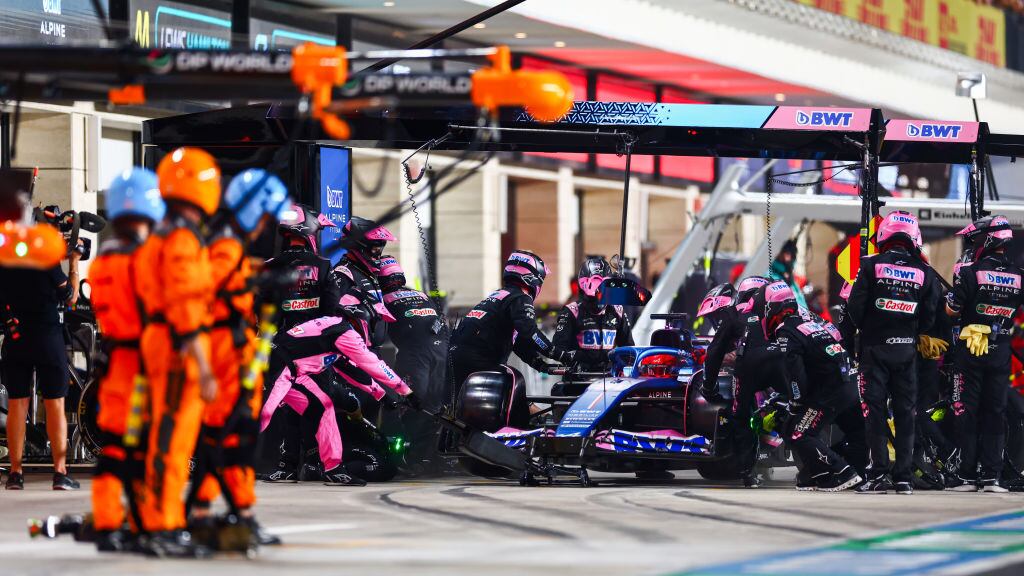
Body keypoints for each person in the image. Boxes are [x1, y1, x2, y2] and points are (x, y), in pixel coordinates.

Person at [189, 169, 290, 546]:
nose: (266, 227)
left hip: (233, 356)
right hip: (222, 360)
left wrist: (258, 285)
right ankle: (215, 512)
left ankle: (232, 513)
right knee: (227, 439)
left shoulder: (228, 246)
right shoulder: (225, 247)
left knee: (231, 439)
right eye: (264, 217)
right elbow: (205, 301)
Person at [133, 147, 220, 556]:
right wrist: (203, 367)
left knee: (166, 439)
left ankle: (160, 522)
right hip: (178, 350)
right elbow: (186, 306)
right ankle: (162, 526)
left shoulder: (159, 234)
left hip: (160, 343)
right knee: (172, 441)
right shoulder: (182, 240)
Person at [87, 168, 165, 550]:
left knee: (116, 446)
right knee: (145, 449)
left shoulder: (103, 259)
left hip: (113, 363)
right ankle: (144, 526)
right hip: (142, 366)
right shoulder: (145, 258)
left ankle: (107, 523)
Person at [259, 305, 418, 486]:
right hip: (274, 367)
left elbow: (350, 369)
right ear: (363, 318)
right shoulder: (344, 332)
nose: (376, 328)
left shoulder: (335, 330)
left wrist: (381, 395)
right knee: (262, 417)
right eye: (376, 322)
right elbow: (372, 364)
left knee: (323, 407)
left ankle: (333, 469)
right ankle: (225, 460)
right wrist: (406, 391)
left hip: (293, 372)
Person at [847, 211, 941, 495]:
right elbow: (930, 316)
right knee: (906, 415)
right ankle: (903, 479)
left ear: (885, 234)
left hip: (874, 350)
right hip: (906, 352)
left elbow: (854, 308)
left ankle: (877, 475)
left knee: (874, 414)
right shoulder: (925, 273)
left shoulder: (870, 265)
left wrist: (871, 329)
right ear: (913, 238)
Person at [261, 204, 343, 483]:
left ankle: (286, 464)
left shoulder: (269, 268)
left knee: (287, 405)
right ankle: (317, 463)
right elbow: (333, 310)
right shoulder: (323, 266)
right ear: (309, 231)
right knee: (319, 405)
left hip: (280, 347)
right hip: (315, 347)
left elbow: (260, 313)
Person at [0, 213, 82, 491]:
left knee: (16, 404)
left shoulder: (6, 260)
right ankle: (60, 473)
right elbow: (70, 297)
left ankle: (15, 473)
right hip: (47, 337)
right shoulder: (45, 261)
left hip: (15, 337)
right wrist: (72, 262)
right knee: (54, 402)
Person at [945, 215, 1024, 492]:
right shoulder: (1019, 275)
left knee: (966, 410)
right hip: (1001, 349)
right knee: (995, 412)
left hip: (970, 349)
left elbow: (952, 310)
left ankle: (967, 476)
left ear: (988, 239)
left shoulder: (970, 272)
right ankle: (992, 477)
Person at [763, 282, 863, 492]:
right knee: (855, 431)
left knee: (797, 432)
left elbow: (795, 374)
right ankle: (830, 473)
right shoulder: (812, 322)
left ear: (773, 309)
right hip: (852, 384)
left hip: (832, 391)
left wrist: (796, 402)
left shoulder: (786, 331)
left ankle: (841, 471)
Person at [448, 250, 575, 402]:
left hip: (455, 357)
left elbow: (518, 341)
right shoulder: (520, 298)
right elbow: (530, 332)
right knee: (515, 385)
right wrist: (559, 354)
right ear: (533, 277)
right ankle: (527, 423)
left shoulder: (500, 295)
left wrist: (539, 364)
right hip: (480, 361)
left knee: (458, 408)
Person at [696, 276, 772, 487]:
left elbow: (714, 353)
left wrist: (708, 386)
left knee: (742, 417)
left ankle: (749, 472)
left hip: (754, 372)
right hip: (781, 371)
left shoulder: (734, 314)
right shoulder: (782, 311)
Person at [377, 256, 449, 469]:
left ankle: (401, 455)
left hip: (415, 357)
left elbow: (378, 334)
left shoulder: (383, 299)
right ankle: (424, 456)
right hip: (441, 352)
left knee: (410, 403)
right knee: (434, 406)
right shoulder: (422, 295)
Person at [553, 256, 633, 374]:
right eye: (593, 296)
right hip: (578, 380)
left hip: (609, 379)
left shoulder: (617, 311)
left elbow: (629, 348)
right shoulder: (572, 311)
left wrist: (619, 363)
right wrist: (578, 360)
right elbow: (558, 349)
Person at [332, 216, 395, 351]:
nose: (378, 255)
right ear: (359, 246)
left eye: (380, 250)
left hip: (372, 350)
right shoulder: (343, 273)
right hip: (355, 352)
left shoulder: (366, 271)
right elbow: (334, 315)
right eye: (375, 250)